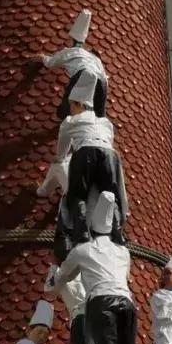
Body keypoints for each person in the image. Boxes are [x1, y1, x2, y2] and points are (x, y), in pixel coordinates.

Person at [39, 72, 128, 262]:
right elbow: (107, 143)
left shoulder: (70, 122)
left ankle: (82, 233)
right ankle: (118, 232)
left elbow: (61, 152)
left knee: (77, 194)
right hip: (109, 155)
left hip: (85, 151)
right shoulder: (106, 123)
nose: (70, 109)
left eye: (72, 105)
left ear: (78, 104)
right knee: (112, 194)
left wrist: (58, 160)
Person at [49, 192, 135, 344]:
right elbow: (126, 276)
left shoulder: (83, 250)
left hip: (101, 303)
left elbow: (60, 278)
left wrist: (55, 274)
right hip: (127, 302)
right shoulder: (123, 251)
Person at [33, 9, 108, 119]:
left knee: (69, 104)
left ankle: (65, 119)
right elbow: (103, 75)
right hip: (102, 81)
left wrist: (42, 57)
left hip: (84, 74)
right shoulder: (94, 57)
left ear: (71, 40)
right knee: (99, 113)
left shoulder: (69, 51)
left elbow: (51, 62)